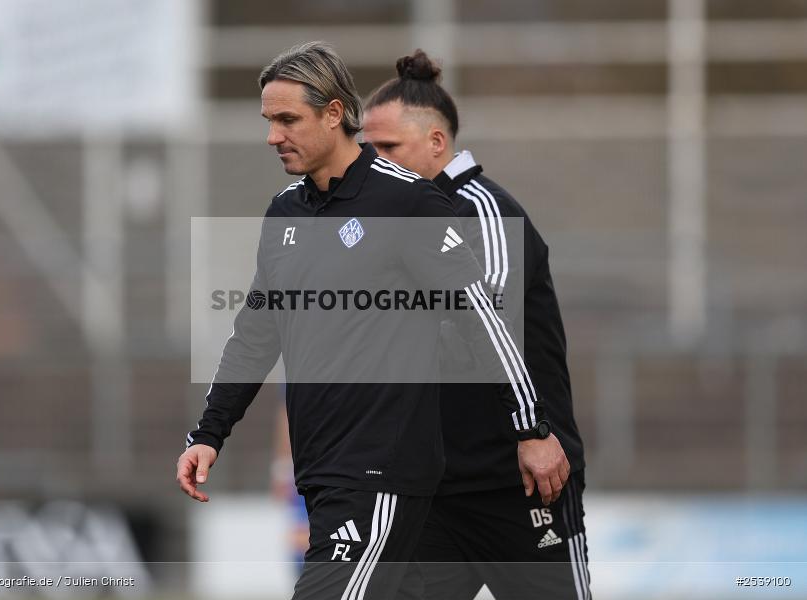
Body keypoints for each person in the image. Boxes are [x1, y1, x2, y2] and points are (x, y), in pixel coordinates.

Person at [176, 41, 569, 600]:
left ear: (334, 113)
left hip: (381, 472)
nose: (273, 137)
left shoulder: (407, 201)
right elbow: (256, 333)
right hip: (321, 472)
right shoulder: (285, 211)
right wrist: (209, 433)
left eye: (287, 120)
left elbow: (481, 317)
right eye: (269, 121)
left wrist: (529, 428)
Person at [363, 50, 590, 600]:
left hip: (517, 479)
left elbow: (487, 330)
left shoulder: (483, 212)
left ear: (436, 142)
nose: (374, 164)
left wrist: (531, 435)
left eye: (388, 148)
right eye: (368, 150)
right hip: (431, 487)